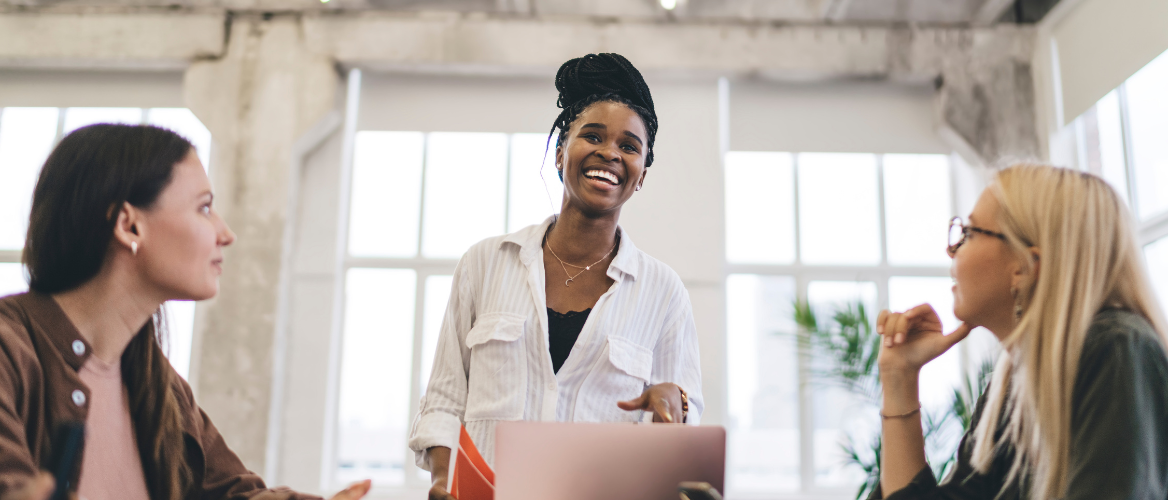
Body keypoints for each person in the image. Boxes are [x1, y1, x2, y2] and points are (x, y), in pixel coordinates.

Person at [0, 124, 372, 500]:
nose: (225, 233)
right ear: (129, 226)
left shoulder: (156, 381)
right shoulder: (9, 350)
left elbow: (231, 494)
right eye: (204, 208)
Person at [408, 53, 705, 500]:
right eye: (593, 136)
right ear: (561, 150)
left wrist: (674, 404)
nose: (610, 153)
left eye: (630, 146)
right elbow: (445, 402)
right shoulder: (485, 263)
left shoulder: (663, 293)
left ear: (641, 174)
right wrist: (440, 483)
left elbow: (684, 426)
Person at [872, 164, 1168, 499]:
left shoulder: (1116, 350)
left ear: (1025, 267)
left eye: (968, 233)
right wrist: (899, 377)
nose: (951, 249)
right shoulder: (1013, 387)